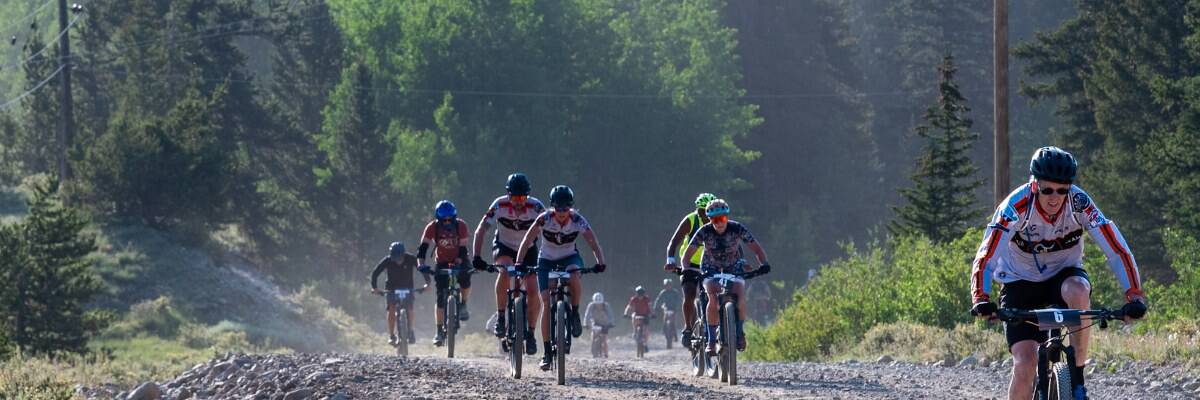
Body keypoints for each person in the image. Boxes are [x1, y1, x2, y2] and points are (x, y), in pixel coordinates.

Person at [969, 146, 1147, 400]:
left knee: (1079, 289)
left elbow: (1116, 250)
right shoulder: (1015, 206)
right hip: (1019, 282)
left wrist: (1134, 295)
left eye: (1062, 190)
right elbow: (987, 254)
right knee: (1025, 365)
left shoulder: (1079, 202)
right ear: (1035, 185)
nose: (1055, 198)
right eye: (1047, 190)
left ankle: (1078, 378)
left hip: (1063, 276)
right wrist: (981, 297)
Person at [515, 185, 608, 371]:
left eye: (566, 209)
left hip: (569, 257)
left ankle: (575, 312)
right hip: (546, 260)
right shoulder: (544, 219)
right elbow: (527, 240)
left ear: (571, 207)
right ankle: (547, 352)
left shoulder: (578, 220)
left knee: (574, 274)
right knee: (546, 302)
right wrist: (519, 262)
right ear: (553, 207)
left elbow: (592, 242)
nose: (562, 213)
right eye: (558, 209)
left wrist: (600, 261)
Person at [677, 199, 770, 354]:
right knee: (712, 297)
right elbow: (687, 256)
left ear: (727, 217)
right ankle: (711, 341)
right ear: (710, 219)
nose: (719, 223)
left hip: (733, 266)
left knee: (740, 294)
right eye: (715, 219)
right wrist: (686, 269)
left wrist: (764, 263)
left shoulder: (737, 228)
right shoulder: (704, 231)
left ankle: (739, 332)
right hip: (710, 267)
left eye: (722, 218)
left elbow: (756, 248)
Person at [471, 173, 545, 355]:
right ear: (508, 195)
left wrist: (548, 257)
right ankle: (501, 316)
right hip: (504, 246)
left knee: (533, 289)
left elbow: (550, 230)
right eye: (514, 198)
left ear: (528, 196)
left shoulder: (536, 206)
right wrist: (476, 256)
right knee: (504, 271)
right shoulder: (499, 204)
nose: (518, 202)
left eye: (522, 198)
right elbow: (481, 230)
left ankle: (531, 333)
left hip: (528, 249)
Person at [417, 200, 473, 347]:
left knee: (466, 278)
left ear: (454, 217)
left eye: (450, 219)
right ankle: (439, 331)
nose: (447, 222)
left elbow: (463, 248)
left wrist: (459, 261)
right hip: (441, 261)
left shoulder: (461, 225)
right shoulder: (432, 227)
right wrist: (421, 264)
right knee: (440, 297)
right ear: (438, 218)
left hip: (460, 258)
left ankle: (463, 304)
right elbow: (423, 248)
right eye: (444, 220)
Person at [664, 193, 716, 345]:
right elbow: (674, 242)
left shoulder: (719, 221)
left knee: (715, 293)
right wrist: (670, 260)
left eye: (707, 210)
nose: (704, 214)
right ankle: (688, 328)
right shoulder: (691, 220)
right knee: (689, 294)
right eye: (701, 210)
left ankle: (720, 326)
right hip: (690, 263)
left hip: (712, 263)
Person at [371, 242, 430, 345]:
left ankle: (411, 331)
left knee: (410, 308)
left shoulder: (411, 258)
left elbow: (422, 269)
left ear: (403, 254)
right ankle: (391, 335)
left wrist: (427, 283)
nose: (398, 261)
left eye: (400, 258)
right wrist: (375, 287)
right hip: (391, 288)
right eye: (395, 259)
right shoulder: (387, 260)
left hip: (408, 287)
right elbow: (375, 273)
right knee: (391, 308)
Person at [584, 292, 614, 358]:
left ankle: (606, 353)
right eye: (597, 304)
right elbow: (587, 315)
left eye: (600, 304)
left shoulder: (606, 306)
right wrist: (586, 324)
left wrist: (611, 323)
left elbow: (610, 315)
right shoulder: (591, 306)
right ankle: (593, 350)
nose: (598, 305)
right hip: (595, 322)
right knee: (593, 336)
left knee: (604, 339)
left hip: (605, 323)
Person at [652, 278, 681, 343]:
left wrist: (678, 307)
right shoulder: (663, 292)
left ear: (671, 285)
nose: (668, 286)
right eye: (666, 285)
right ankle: (664, 330)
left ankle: (675, 334)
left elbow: (679, 300)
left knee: (673, 321)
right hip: (666, 308)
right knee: (665, 318)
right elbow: (658, 299)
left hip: (674, 308)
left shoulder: (675, 292)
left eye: (669, 285)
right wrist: (655, 307)